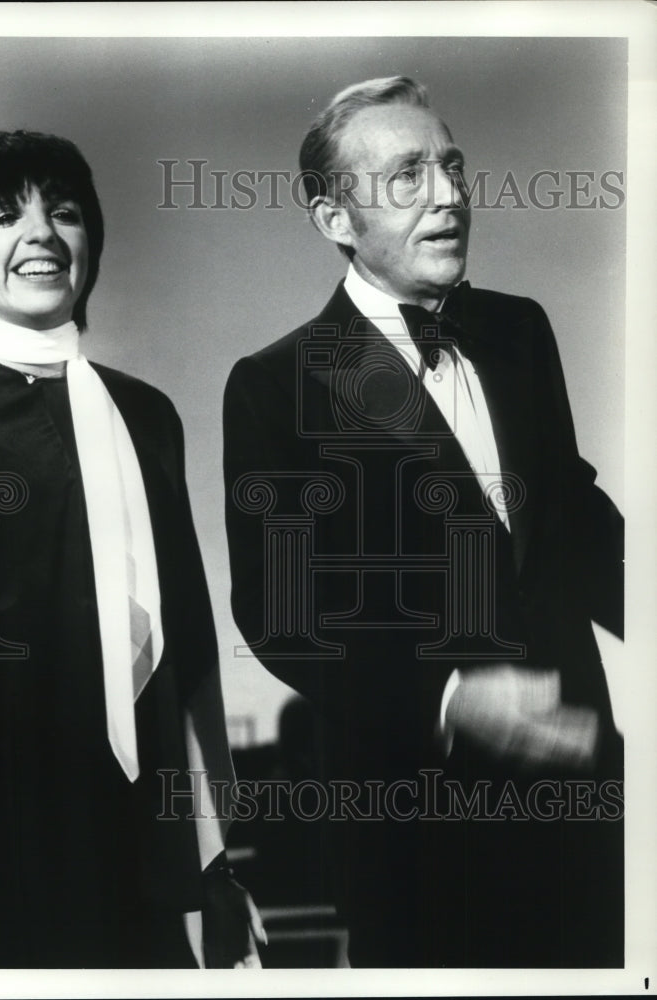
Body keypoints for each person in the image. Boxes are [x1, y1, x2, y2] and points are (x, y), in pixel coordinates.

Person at [223, 76, 624, 967]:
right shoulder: (275, 384)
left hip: (589, 797)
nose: (449, 195)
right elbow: (285, 617)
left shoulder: (522, 331)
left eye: (452, 166)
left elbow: (575, 514)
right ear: (334, 219)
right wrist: (450, 698)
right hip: (421, 831)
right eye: (408, 176)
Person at [0, 130, 264, 969]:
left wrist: (213, 865)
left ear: (91, 243)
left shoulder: (146, 416)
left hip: (123, 821)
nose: (41, 234)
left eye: (63, 213)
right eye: (4, 217)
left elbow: (185, 652)